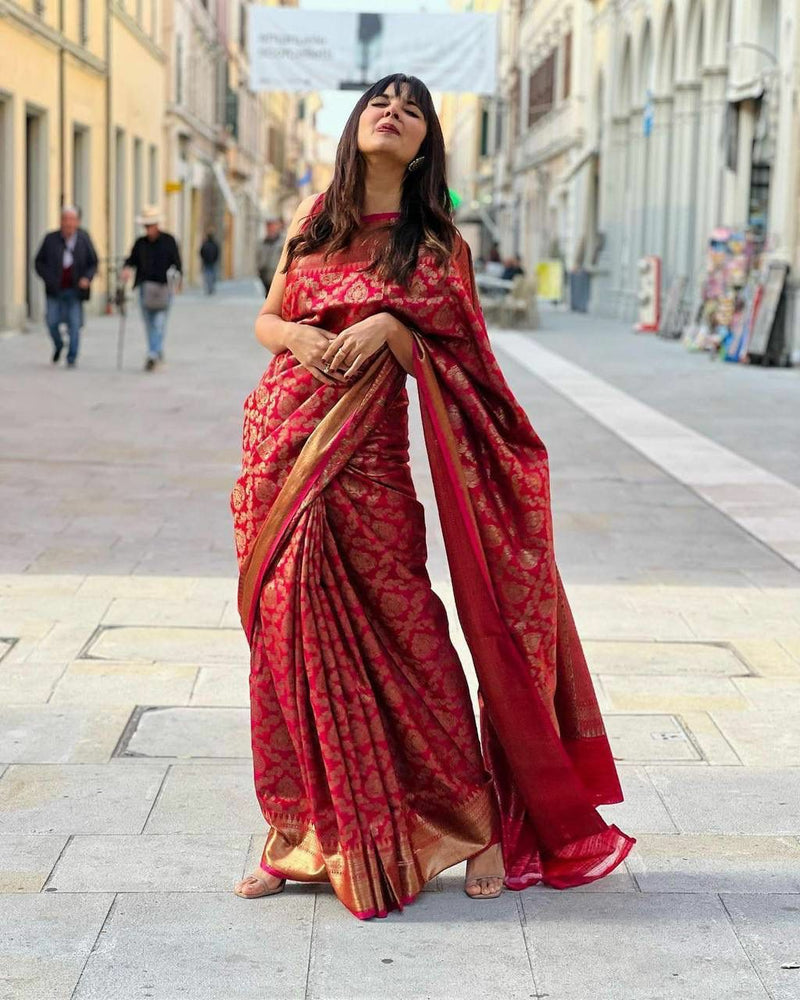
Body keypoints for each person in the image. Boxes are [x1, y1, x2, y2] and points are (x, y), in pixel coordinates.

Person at [231, 73, 634, 920]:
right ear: (355, 124)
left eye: (413, 110)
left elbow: (468, 372)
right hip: (281, 449)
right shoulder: (313, 219)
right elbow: (267, 319)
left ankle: (473, 820)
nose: (394, 113)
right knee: (285, 647)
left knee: (415, 643)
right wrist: (299, 334)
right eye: (382, 102)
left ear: (425, 146)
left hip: (369, 468)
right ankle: (297, 831)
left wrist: (396, 329)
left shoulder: (439, 244)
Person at [34, 205, 98, 367]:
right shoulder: (50, 239)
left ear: (77, 222)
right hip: (54, 290)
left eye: (72, 220)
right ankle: (59, 345)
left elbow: (93, 262)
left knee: (74, 324)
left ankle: (72, 357)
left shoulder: (83, 239)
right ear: (61, 221)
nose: (68, 224)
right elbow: (38, 262)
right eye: (66, 220)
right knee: (52, 321)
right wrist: (48, 278)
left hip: (75, 290)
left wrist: (87, 278)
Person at [121, 206, 182, 371]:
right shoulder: (140, 243)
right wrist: (126, 269)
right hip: (145, 288)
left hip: (164, 289)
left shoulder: (169, 241)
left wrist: (177, 283)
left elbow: (177, 264)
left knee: (160, 323)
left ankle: (153, 354)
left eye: (151, 225)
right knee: (149, 324)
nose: (148, 229)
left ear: (157, 224)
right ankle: (155, 351)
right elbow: (131, 260)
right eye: (146, 226)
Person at [256, 217, 284, 296]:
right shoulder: (262, 242)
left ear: (277, 226)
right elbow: (258, 256)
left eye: (272, 226)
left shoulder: (282, 242)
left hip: (277, 275)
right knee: (267, 296)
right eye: (268, 226)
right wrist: (259, 268)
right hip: (264, 275)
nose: (270, 228)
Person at [199, 229, 220, 295]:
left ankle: (208, 287)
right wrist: (215, 259)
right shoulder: (214, 244)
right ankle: (211, 287)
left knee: (207, 276)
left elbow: (201, 252)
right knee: (213, 275)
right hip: (212, 262)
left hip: (206, 262)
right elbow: (217, 253)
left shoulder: (205, 244)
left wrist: (203, 258)